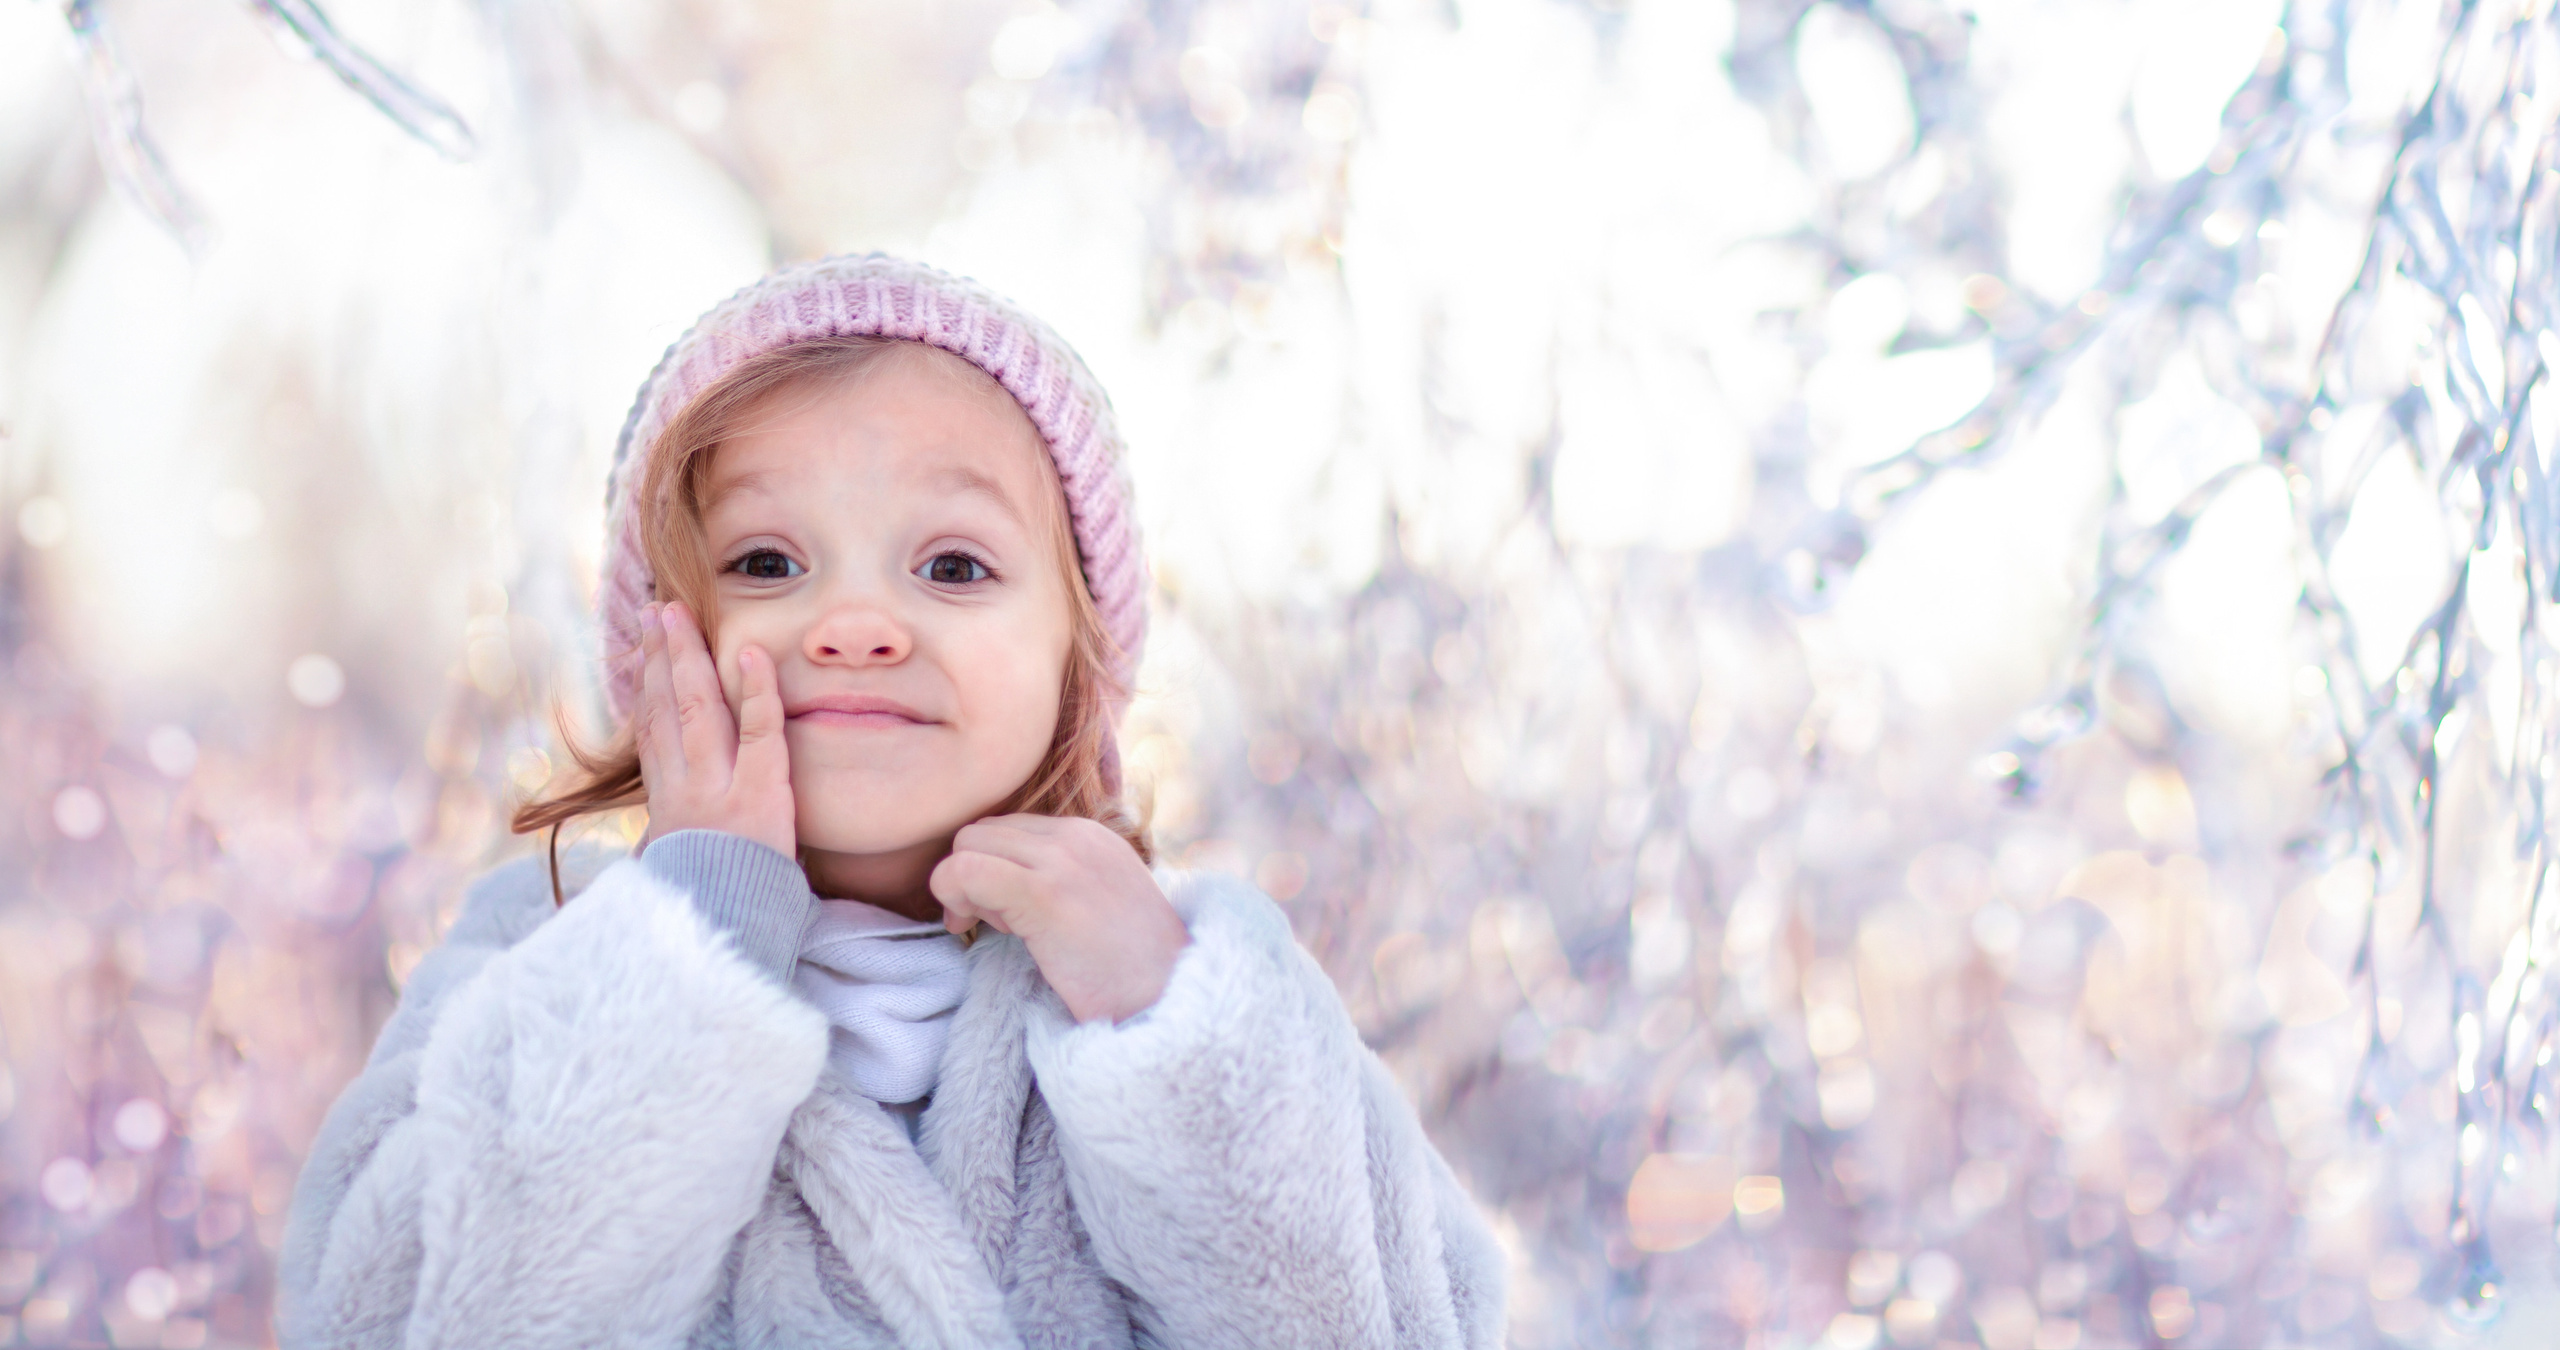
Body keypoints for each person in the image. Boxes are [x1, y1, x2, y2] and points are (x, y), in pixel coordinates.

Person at [275, 255, 1506, 1348]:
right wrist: (688, 947)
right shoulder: (534, 967)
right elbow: (393, 1319)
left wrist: (1170, 1037)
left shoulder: (1191, 997)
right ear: (662, 647)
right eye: (767, 563)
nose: (857, 625)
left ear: (1077, 667)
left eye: (953, 566)